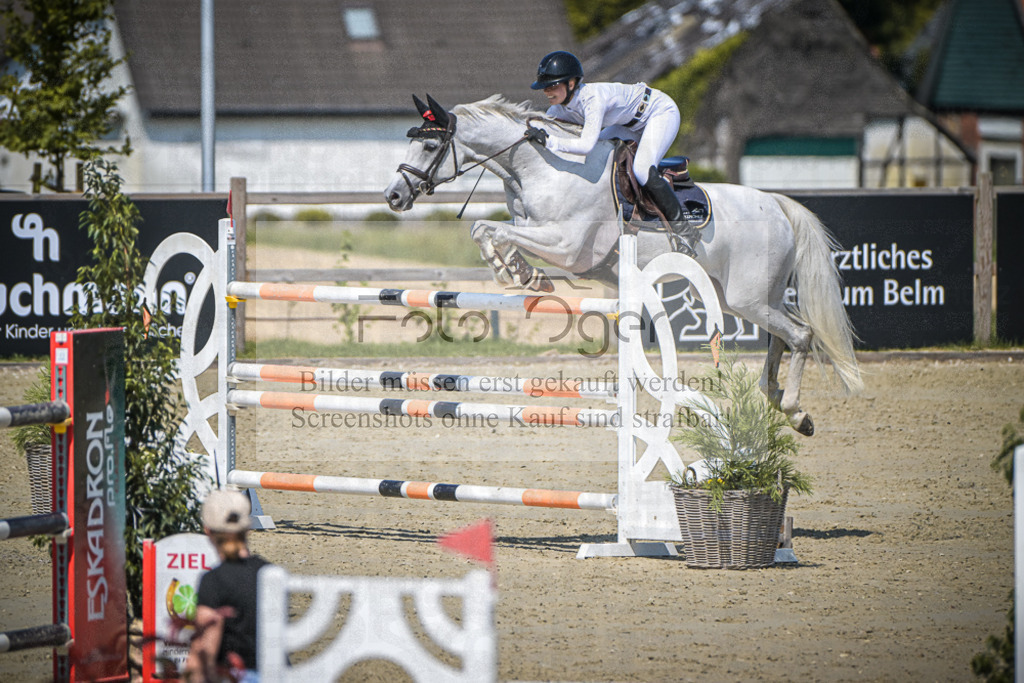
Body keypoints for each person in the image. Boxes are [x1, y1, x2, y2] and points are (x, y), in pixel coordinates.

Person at [526, 50, 699, 257]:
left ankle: (685, 231)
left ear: (571, 84)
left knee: (642, 170)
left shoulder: (592, 99)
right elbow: (546, 128)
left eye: (552, 85)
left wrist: (550, 141)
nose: (547, 91)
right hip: (627, 124)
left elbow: (585, 145)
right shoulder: (558, 109)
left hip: (659, 112)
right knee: (599, 157)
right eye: (544, 87)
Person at [185, 489, 271, 683]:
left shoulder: (214, 581)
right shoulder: (270, 572)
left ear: (208, 531)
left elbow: (204, 651)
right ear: (247, 529)